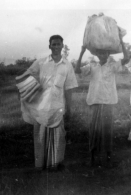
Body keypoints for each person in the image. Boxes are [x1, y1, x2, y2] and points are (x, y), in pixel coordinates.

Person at [17, 35, 78, 171]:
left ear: (62, 46)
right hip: (41, 106)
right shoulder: (41, 62)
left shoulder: (67, 65)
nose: (56, 47)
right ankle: (40, 166)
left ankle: (54, 165)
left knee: (58, 137)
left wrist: (69, 107)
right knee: (40, 136)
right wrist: (26, 89)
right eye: (53, 44)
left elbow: (68, 88)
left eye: (58, 44)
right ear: (49, 46)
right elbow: (26, 75)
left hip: (58, 106)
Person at [75, 29, 129, 167]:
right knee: (94, 131)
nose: (103, 54)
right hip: (95, 101)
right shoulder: (92, 66)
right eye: (100, 52)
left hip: (109, 102)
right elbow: (78, 71)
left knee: (107, 130)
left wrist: (122, 42)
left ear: (108, 54)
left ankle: (109, 156)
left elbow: (127, 59)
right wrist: (81, 52)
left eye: (105, 52)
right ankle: (93, 157)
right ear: (97, 54)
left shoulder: (112, 66)